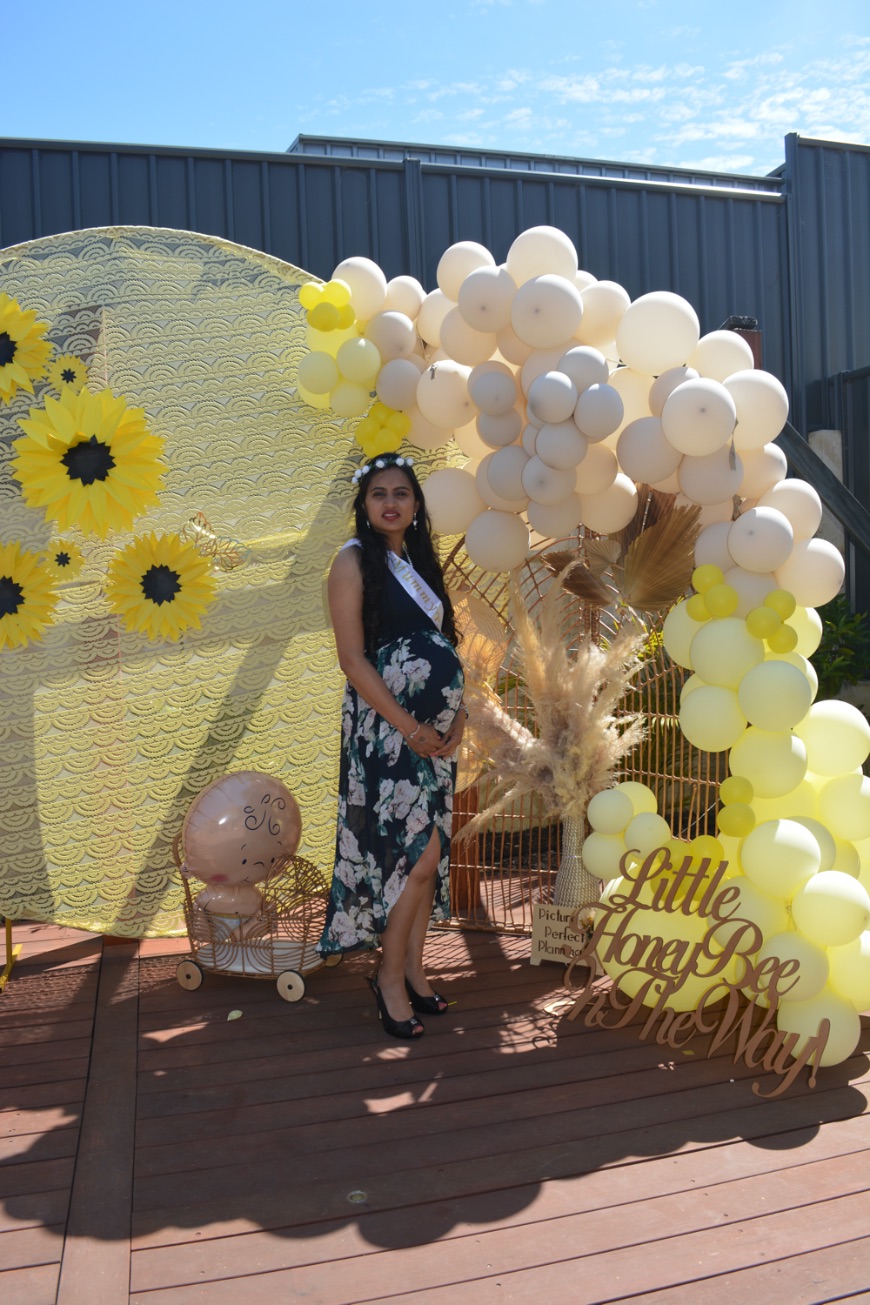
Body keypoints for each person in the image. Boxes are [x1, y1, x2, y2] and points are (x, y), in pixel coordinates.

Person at [316, 452, 467, 1040]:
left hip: (434, 738)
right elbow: (352, 660)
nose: (391, 503)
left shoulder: (420, 561)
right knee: (418, 857)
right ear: (363, 504)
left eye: (401, 493)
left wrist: (463, 717)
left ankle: (413, 970)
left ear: (415, 505)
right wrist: (409, 726)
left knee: (425, 863)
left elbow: (447, 643)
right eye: (379, 494)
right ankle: (387, 980)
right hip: (388, 733)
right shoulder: (352, 562)